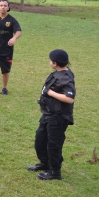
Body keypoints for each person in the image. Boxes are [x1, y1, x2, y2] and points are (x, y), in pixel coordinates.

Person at [27, 49, 76, 180]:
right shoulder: (58, 73)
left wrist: (50, 93)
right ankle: (45, 163)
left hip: (58, 117)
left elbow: (69, 98)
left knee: (54, 144)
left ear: (54, 63)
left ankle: (55, 172)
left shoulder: (66, 78)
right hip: (48, 113)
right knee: (40, 140)